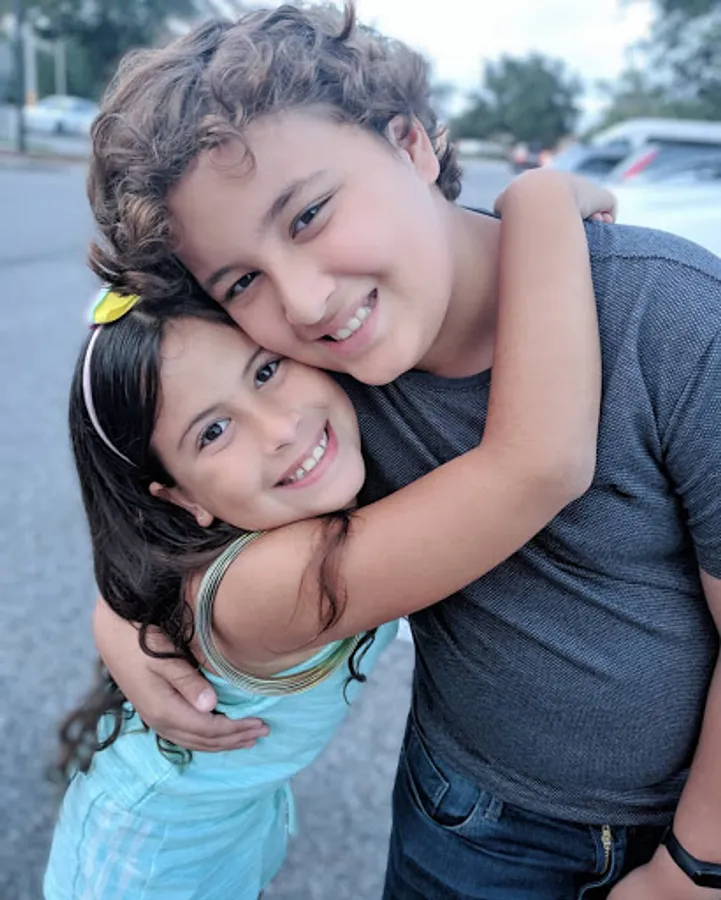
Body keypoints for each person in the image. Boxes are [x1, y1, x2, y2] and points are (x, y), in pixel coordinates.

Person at [86, 5, 721, 898]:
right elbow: (185, 495)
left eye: (309, 214)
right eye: (242, 280)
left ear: (411, 142)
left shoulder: (671, 316)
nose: (304, 302)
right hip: (465, 818)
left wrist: (694, 869)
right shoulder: (310, 386)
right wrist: (121, 616)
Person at [44, 172, 607, 900]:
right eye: (212, 432)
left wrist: (115, 618)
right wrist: (538, 202)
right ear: (180, 498)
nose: (279, 429)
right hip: (144, 866)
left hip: (226, 824)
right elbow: (535, 465)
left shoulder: (273, 514)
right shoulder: (269, 584)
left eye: (266, 370)